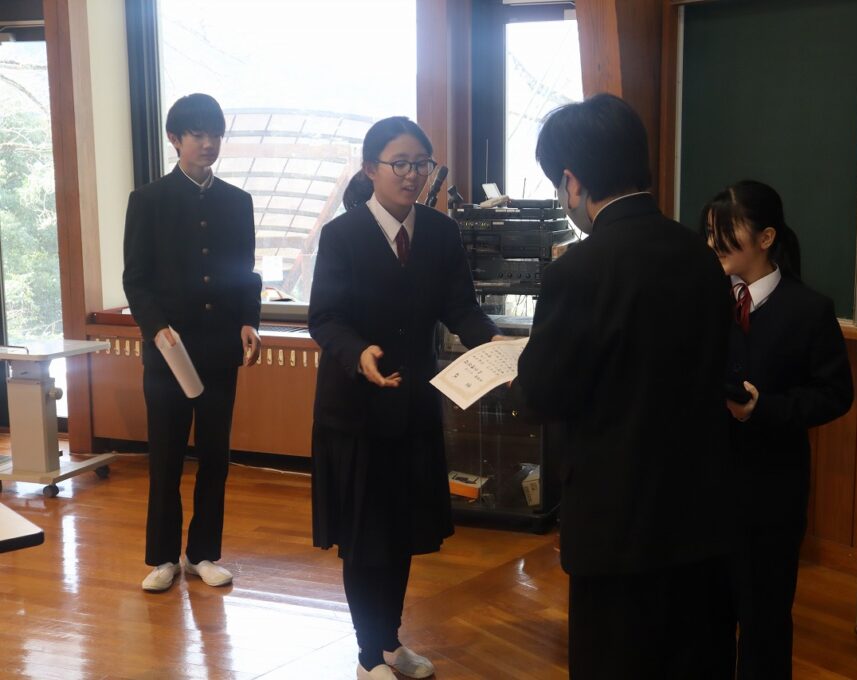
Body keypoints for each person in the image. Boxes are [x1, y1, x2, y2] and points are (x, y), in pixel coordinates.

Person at [510, 93, 737, 678]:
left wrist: (522, 371)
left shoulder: (578, 270)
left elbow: (544, 394)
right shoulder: (701, 257)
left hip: (616, 521)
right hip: (701, 511)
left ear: (572, 181)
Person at [308, 116, 500, 680]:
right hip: (355, 410)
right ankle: (368, 655)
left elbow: (460, 308)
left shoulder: (439, 232)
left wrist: (496, 344)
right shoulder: (342, 236)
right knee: (363, 537)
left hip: (413, 406)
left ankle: (389, 643)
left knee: (399, 532)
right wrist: (358, 352)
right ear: (371, 169)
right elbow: (324, 318)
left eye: (421, 164)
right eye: (400, 163)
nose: (412, 174)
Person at [700, 180, 854, 679]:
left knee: (764, 624)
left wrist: (764, 409)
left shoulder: (808, 310)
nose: (714, 244)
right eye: (710, 232)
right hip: (706, 490)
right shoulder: (704, 302)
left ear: (766, 238)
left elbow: (835, 395)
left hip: (771, 495)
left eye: (727, 232)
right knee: (707, 623)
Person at [122, 93, 262, 592]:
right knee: (165, 458)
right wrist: (155, 326)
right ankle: (163, 557)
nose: (208, 143)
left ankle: (202, 553)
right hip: (168, 354)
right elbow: (135, 279)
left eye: (215, 134)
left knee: (215, 458)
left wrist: (249, 321)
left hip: (220, 349)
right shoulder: (148, 200)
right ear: (174, 139)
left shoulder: (237, 202)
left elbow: (245, 274)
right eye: (197, 134)